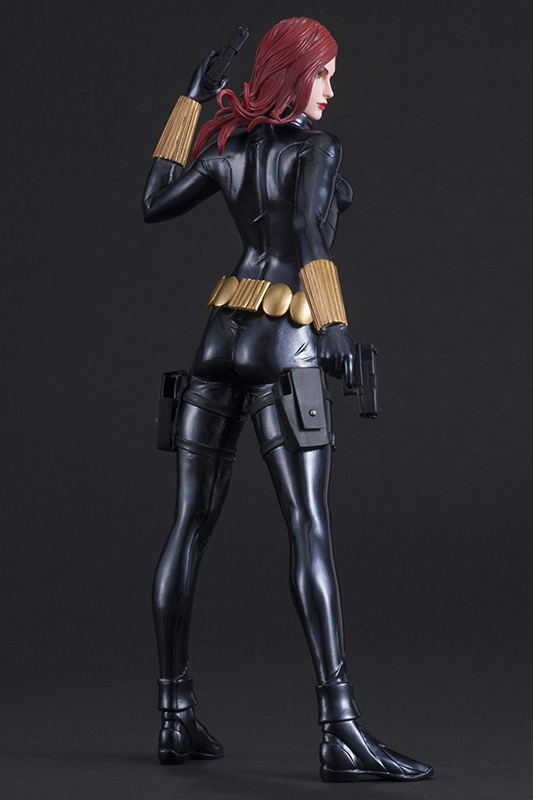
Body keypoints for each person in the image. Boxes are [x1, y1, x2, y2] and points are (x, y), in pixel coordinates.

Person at [142, 16, 433, 782]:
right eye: (323, 73)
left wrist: (189, 102)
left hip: (219, 333)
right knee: (307, 525)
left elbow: (154, 200)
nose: (330, 88)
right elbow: (305, 234)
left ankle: (173, 716)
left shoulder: (230, 146)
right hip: (284, 338)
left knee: (188, 525)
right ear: (295, 72)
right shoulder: (314, 147)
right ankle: (339, 729)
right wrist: (333, 322)